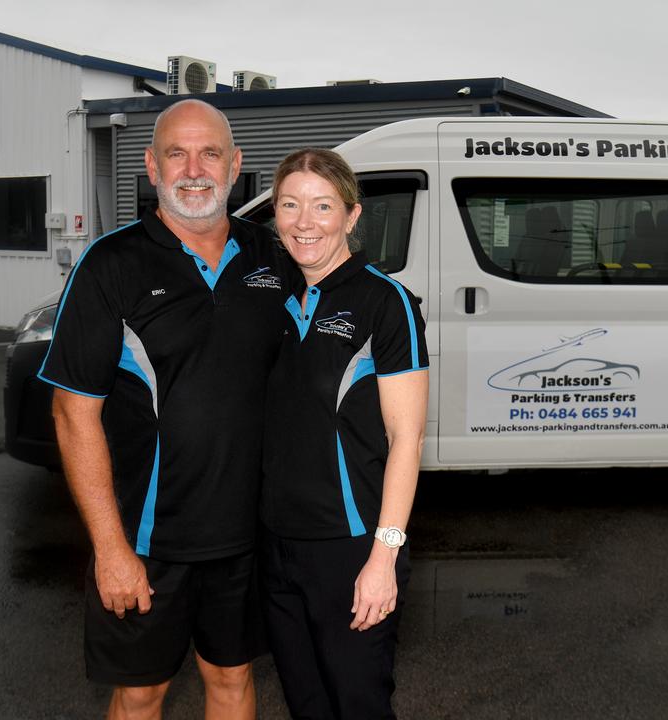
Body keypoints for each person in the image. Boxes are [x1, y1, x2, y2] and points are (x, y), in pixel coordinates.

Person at [40, 99, 297, 720]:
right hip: (148, 537)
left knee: (233, 680)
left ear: (235, 166)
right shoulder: (112, 263)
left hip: (249, 534)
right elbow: (73, 414)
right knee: (141, 692)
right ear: (151, 167)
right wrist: (110, 548)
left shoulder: (277, 258)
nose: (194, 169)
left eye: (209, 152)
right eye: (176, 154)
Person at [260, 148, 430, 719]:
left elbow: (407, 438)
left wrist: (384, 559)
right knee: (306, 705)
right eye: (290, 205)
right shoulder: (273, 298)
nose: (304, 222)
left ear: (352, 216)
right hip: (276, 546)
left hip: (351, 547)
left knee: (357, 705)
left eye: (322, 206)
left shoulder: (387, 302)